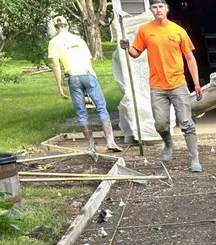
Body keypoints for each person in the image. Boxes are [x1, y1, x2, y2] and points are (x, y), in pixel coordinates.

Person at [121, 1, 203, 172]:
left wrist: (196, 83)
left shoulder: (178, 30)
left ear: (167, 9)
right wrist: (127, 48)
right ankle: (168, 144)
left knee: (186, 123)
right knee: (161, 124)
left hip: (178, 84)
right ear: (151, 10)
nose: (158, 10)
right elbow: (136, 53)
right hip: (157, 86)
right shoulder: (145, 30)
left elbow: (189, 58)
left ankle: (194, 158)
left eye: (161, 7)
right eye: (155, 7)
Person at [49, 16, 122, 153]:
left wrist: (59, 87)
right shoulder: (79, 39)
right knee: (101, 108)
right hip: (88, 74)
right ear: (68, 25)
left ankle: (91, 145)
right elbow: (89, 60)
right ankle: (110, 142)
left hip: (73, 77)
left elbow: (56, 65)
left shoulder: (54, 42)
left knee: (81, 112)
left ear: (56, 27)